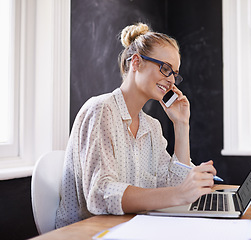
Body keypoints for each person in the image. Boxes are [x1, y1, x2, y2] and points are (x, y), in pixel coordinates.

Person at [55, 23, 217, 228]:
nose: (171, 80)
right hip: (87, 231)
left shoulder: (152, 127)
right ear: (137, 63)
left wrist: (181, 125)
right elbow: (100, 193)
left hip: (130, 227)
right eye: (166, 69)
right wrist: (178, 193)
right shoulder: (100, 110)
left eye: (175, 73)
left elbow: (174, 187)